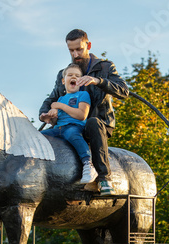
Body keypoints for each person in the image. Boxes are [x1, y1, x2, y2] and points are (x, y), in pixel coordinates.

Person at [39, 29, 129, 196]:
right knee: (39, 137)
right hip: (69, 124)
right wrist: (44, 115)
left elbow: (123, 91)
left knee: (92, 122)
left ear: (88, 45)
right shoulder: (65, 73)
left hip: (97, 124)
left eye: (79, 49)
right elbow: (52, 98)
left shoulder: (105, 67)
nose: (75, 54)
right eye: (71, 50)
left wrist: (98, 81)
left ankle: (104, 179)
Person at [40, 63, 97, 184]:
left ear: (81, 81)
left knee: (72, 135)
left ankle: (88, 164)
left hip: (74, 126)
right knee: (39, 136)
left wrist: (60, 106)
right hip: (58, 128)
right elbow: (56, 117)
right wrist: (50, 116)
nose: (74, 77)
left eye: (77, 75)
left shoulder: (83, 95)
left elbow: (82, 115)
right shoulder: (61, 99)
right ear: (63, 80)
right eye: (70, 75)